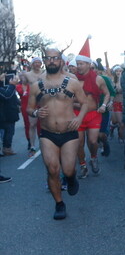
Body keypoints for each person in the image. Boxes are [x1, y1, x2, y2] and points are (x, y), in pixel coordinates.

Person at [27, 48, 90, 219]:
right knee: (53, 170)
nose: (52, 61)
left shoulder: (72, 82)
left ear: (61, 61)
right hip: (48, 134)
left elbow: (85, 103)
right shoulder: (36, 85)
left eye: (55, 58)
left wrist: (79, 118)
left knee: (68, 170)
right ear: (45, 61)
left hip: (69, 132)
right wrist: (35, 113)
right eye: (48, 59)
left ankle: (71, 178)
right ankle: (59, 204)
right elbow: (29, 108)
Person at [74, 40, 111, 178]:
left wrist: (103, 105)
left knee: (93, 141)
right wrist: (73, 105)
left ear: (89, 64)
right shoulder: (72, 79)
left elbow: (107, 94)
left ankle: (94, 157)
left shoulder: (98, 79)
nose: (79, 66)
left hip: (94, 114)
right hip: (77, 114)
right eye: (77, 64)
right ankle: (83, 165)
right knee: (79, 143)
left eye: (81, 64)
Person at [22, 56, 45, 156]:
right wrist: (25, 92)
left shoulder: (45, 73)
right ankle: (32, 146)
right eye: (35, 62)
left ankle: (45, 144)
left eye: (38, 62)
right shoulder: (27, 74)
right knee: (32, 124)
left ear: (41, 64)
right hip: (33, 101)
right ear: (32, 64)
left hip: (44, 100)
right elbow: (23, 84)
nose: (37, 64)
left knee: (45, 124)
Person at [0, 73, 20, 156]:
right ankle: (6, 148)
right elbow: (6, 96)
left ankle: (7, 148)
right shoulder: (10, 87)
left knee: (9, 131)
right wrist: (12, 85)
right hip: (4, 115)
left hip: (8, 113)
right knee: (8, 132)